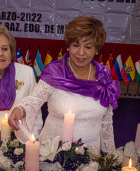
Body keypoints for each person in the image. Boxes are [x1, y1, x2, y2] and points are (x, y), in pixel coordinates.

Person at [8, 15, 121, 153]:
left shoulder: (103, 75)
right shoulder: (55, 71)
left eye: (88, 47)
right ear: (68, 46)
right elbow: (34, 99)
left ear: (96, 49)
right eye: (75, 45)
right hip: (52, 156)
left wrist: (110, 155)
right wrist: (21, 109)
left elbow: (106, 120)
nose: (81, 52)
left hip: (91, 159)